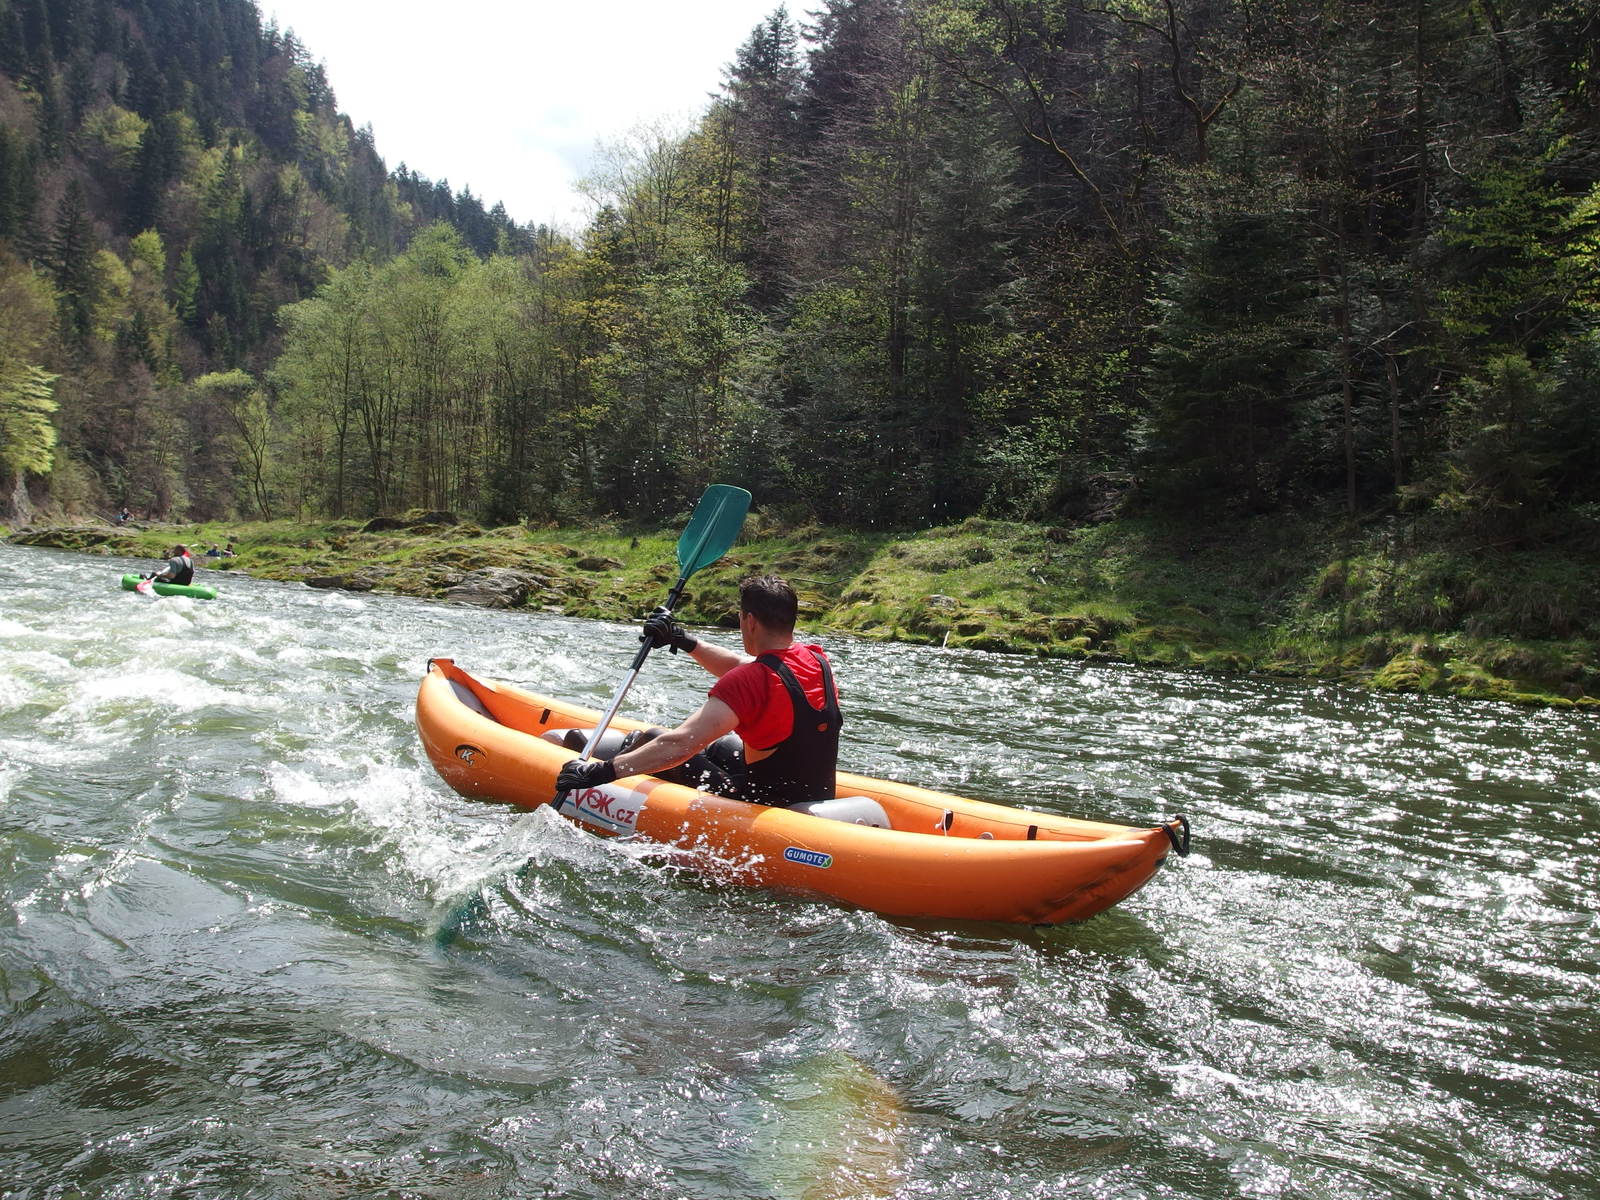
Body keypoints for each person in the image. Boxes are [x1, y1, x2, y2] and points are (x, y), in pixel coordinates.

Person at [555, 574, 842, 807]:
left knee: (657, 737)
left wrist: (601, 773)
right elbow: (743, 665)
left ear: (750, 621)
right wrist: (683, 640)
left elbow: (680, 745)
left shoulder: (748, 680)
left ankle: (599, 759)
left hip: (760, 803)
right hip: (809, 793)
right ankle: (626, 747)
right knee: (724, 746)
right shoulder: (816, 660)